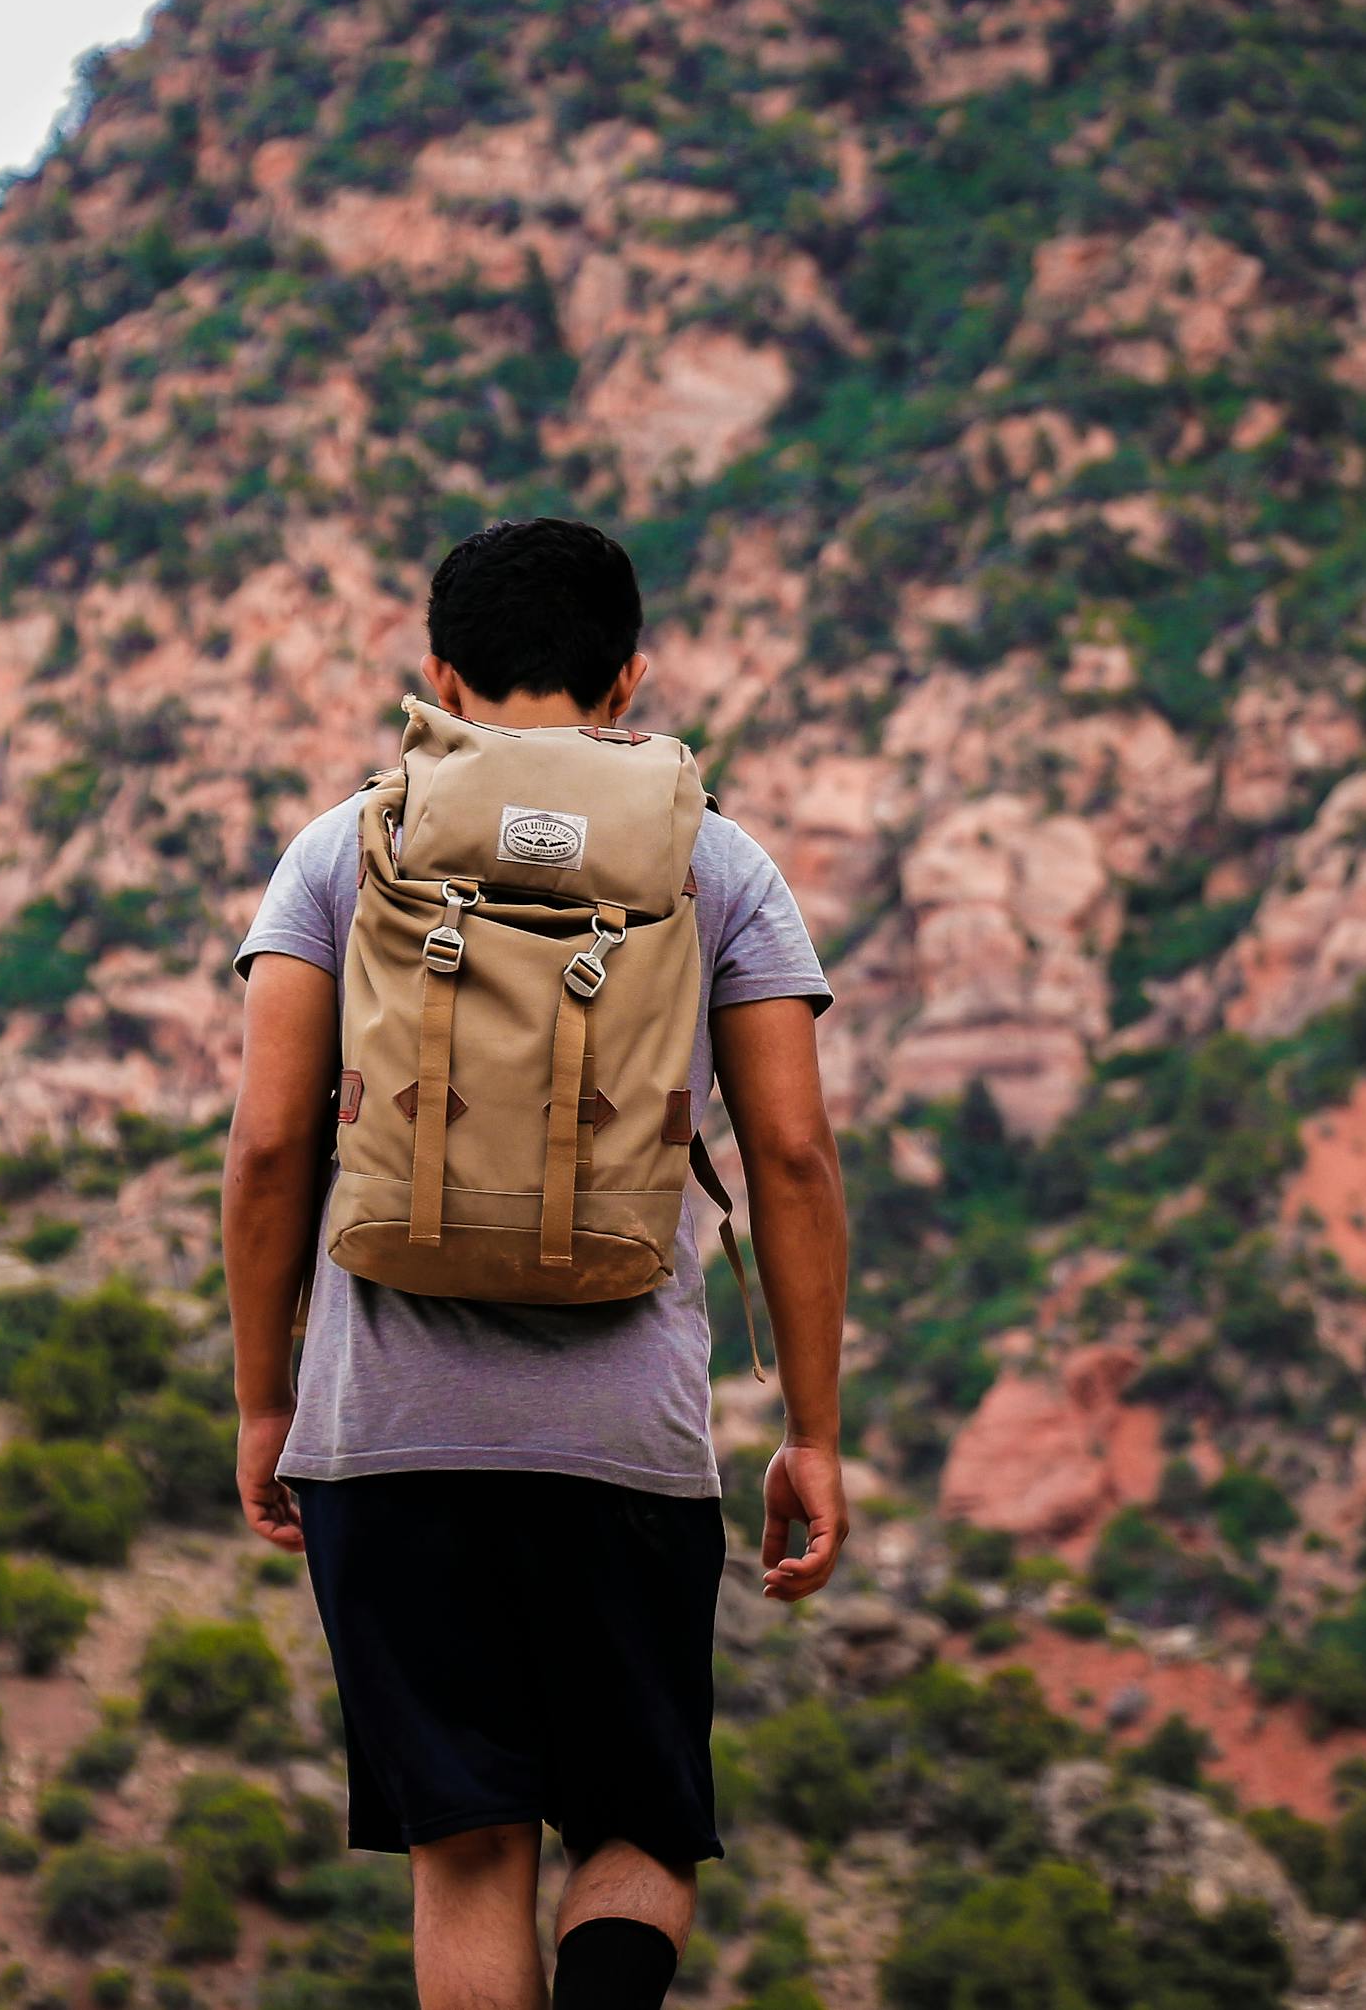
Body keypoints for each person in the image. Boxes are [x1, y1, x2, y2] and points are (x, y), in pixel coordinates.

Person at [223, 516, 852, 2010]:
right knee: (638, 1822)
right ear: (628, 677)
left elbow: (262, 1151)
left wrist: (266, 1402)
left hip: (386, 1436)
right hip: (624, 1447)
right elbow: (796, 1157)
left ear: (438, 670)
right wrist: (813, 1431)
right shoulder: (718, 862)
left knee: (469, 1849)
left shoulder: (344, 848)